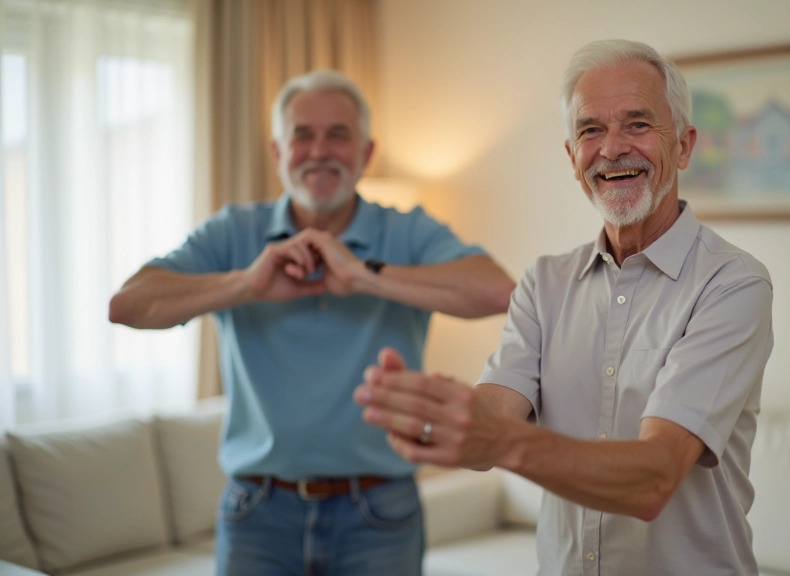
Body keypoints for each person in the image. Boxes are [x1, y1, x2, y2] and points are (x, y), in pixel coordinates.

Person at [355, 39, 774, 575]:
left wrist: (498, 439)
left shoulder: (732, 283)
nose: (612, 147)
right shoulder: (543, 283)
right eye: (590, 130)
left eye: (638, 125)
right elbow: (489, 426)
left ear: (685, 146)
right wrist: (438, 418)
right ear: (572, 157)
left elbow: (654, 479)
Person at [108, 69, 515, 575]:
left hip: (380, 514)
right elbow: (126, 306)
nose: (319, 150)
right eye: (302, 135)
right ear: (279, 153)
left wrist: (364, 275)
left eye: (338, 135)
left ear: (366, 153)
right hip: (257, 512)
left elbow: (499, 290)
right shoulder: (235, 231)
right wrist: (246, 284)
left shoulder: (405, 230)